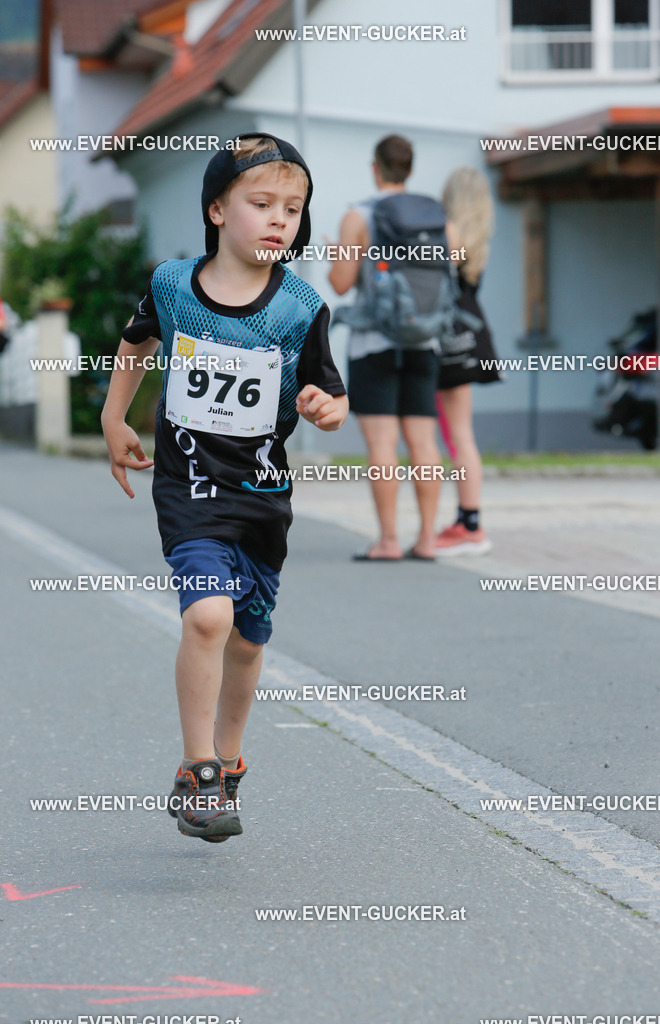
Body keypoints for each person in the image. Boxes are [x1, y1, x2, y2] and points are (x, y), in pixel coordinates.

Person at [101, 134, 348, 842]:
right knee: (208, 617)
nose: (279, 220)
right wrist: (115, 416)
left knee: (245, 639)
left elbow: (331, 394)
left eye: (292, 209)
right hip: (189, 483)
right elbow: (137, 340)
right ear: (216, 209)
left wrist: (327, 410)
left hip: (262, 495)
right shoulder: (173, 285)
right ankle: (198, 769)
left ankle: (230, 757)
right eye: (261, 203)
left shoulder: (300, 307)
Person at [329, 135, 442, 561]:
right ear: (410, 170)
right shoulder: (435, 216)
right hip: (424, 339)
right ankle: (427, 538)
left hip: (374, 341)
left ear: (375, 168)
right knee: (424, 443)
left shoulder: (358, 216)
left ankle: (389, 541)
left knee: (382, 443)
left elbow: (341, 283)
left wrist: (338, 257)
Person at [435, 167, 496, 557]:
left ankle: (470, 525)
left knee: (456, 434)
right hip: (471, 335)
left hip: (448, 338)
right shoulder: (479, 238)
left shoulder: (448, 233)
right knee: (460, 434)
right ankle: (468, 520)